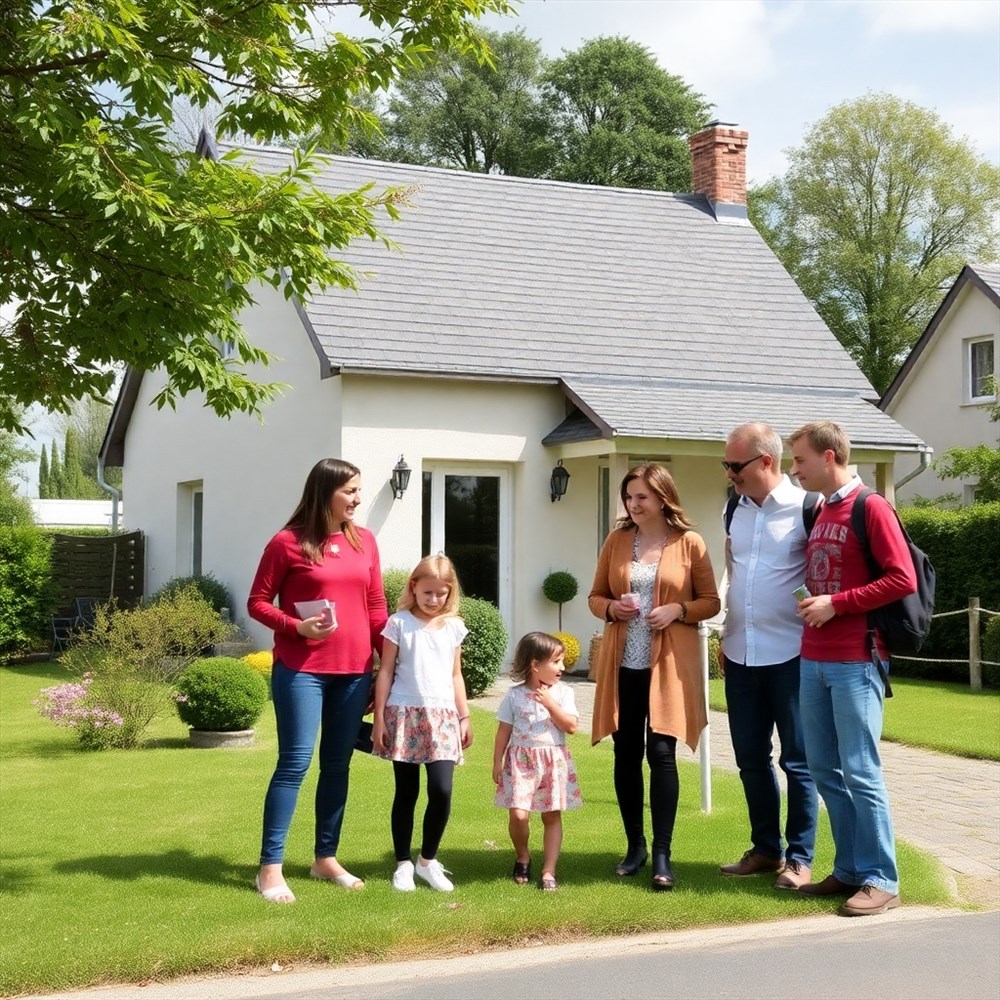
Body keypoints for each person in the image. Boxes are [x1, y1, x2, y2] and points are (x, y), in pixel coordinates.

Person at [788, 421, 916, 916]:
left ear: (829, 456)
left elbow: (901, 577)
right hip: (814, 657)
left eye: (800, 460)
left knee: (860, 770)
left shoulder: (871, 506)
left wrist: (836, 604)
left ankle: (882, 878)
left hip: (857, 659)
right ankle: (849, 871)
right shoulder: (821, 509)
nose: (793, 469)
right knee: (823, 768)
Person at [247, 458, 388, 903]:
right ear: (324, 491)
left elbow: (376, 605)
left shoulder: (364, 541)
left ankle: (324, 858)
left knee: (337, 765)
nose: (358, 499)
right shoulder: (286, 543)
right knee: (295, 764)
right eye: (350, 491)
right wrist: (296, 627)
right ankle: (270, 868)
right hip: (301, 670)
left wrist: (386, 661)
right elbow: (257, 602)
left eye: (359, 491)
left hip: (353, 672)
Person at [589, 464, 720, 891]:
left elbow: (711, 601)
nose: (634, 504)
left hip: (667, 668)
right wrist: (612, 609)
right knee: (625, 753)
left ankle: (663, 852)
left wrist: (678, 610)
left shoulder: (690, 542)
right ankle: (635, 846)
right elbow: (595, 597)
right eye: (629, 497)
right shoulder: (616, 540)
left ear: (663, 496)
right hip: (623, 663)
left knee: (661, 754)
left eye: (642, 496)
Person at [718, 422, 819, 890]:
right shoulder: (732, 508)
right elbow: (732, 571)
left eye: (734, 465)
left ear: (765, 462)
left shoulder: (808, 508)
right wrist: (724, 635)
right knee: (750, 759)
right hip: (740, 653)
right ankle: (765, 849)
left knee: (798, 762)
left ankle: (799, 858)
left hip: (793, 656)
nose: (729, 473)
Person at [372, 554, 472, 893]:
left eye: (440, 594)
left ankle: (427, 862)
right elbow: (385, 671)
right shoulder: (399, 623)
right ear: (413, 588)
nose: (433, 600)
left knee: (441, 790)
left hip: (443, 717)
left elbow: (456, 675)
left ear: (449, 593)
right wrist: (378, 720)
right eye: (427, 593)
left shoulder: (454, 627)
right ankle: (402, 863)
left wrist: (465, 716)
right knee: (407, 791)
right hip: (404, 713)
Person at [493, 632, 582, 892]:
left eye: (562, 661)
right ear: (535, 665)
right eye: (556, 662)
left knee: (551, 815)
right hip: (521, 761)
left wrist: (550, 704)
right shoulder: (514, 695)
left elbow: (571, 726)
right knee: (519, 814)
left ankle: (548, 870)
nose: (562, 668)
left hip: (552, 760)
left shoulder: (563, 693)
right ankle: (523, 855)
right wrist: (497, 761)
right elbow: (503, 731)